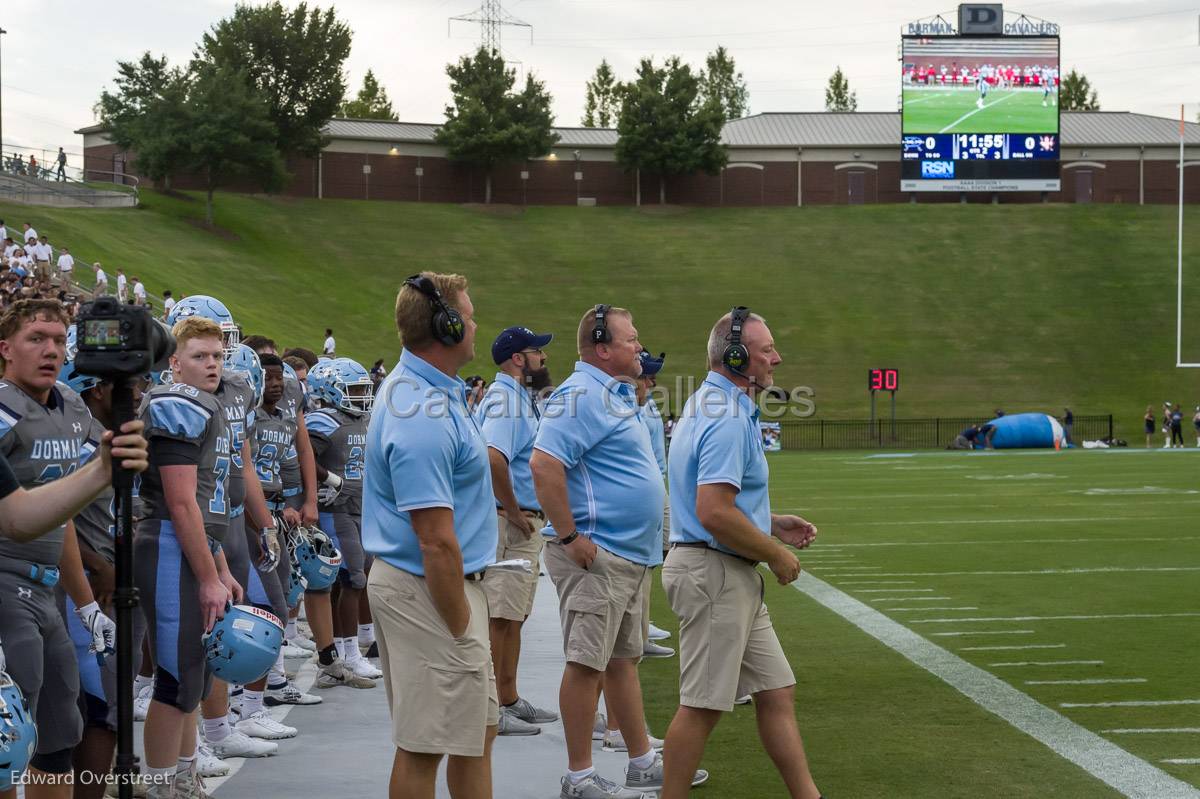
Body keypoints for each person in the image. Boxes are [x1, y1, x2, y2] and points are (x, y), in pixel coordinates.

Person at [531, 304, 705, 798]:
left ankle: (641, 760)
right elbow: (544, 466)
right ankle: (579, 775)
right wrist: (569, 537)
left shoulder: (612, 393)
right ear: (602, 348)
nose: (640, 347)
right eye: (631, 339)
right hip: (597, 553)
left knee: (621, 661)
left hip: (624, 553)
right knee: (587, 663)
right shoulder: (582, 394)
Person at [660, 307, 822, 799]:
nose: (777, 356)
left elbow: (711, 500)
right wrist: (774, 551)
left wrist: (768, 521)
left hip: (723, 570)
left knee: (776, 690)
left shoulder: (712, 404)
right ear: (735, 355)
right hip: (715, 572)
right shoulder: (727, 415)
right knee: (702, 706)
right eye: (766, 348)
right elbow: (712, 512)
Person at [362, 272, 499, 798]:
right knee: (425, 746)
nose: (475, 321)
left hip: (438, 586)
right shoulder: (420, 409)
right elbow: (435, 540)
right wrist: (462, 622)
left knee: (475, 734)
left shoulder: (429, 393)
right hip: (432, 588)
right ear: (446, 326)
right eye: (467, 313)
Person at [0, 300, 122, 798]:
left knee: (58, 734)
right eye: (36, 338)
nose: (50, 349)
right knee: (9, 738)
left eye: (58, 339)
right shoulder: (4, 409)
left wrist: (86, 605)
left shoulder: (71, 406)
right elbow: (18, 516)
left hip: (47, 591)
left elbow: (60, 512)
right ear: (5, 349)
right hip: (6, 584)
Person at [134, 315, 242, 797]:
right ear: (174, 363)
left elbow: (202, 500)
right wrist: (208, 576)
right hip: (165, 544)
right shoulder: (177, 403)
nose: (212, 365)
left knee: (194, 676)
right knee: (175, 678)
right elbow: (179, 502)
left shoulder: (206, 404)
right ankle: (160, 785)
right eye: (200, 356)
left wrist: (217, 564)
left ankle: (182, 775)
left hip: (189, 545)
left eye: (217, 356)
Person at [56, 358, 150, 798]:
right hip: (89, 587)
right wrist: (99, 565)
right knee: (100, 707)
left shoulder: (110, 437)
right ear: (97, 390)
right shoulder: (79, 443)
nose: (135, 395)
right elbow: (59, 518)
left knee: (108, 704)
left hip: (111, 578)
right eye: (125, 386)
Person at [478, 326, 559, 736]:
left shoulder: (518, 397)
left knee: (514, 615)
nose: (543, 358)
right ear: (517, 359)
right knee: (501, 616)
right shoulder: (506, 399)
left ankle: (508, 697)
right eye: (536, 352)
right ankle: (495, 705)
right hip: (509, 521)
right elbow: (494, 459)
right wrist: (512, 511)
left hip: (517, 519)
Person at [307, 357, 381, 683]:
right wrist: (328, 480)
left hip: (357, 507)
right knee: (353, 578)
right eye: (354, 389)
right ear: (331, 390)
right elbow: (302, 455)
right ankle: (350, 655)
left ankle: (339, 651)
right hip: (335, 509)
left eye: (364, 389)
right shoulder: (323, 420)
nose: (362, 395)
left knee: (355, 575)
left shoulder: (360, 419)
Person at [634, 349, 674, 661]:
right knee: (645, 559)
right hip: (649, 485)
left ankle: (641, 625)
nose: (652, 380)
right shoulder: (632, 407)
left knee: (653, 557)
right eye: (648, 374)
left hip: (657, 482)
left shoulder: (644, 404)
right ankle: (639, 629)